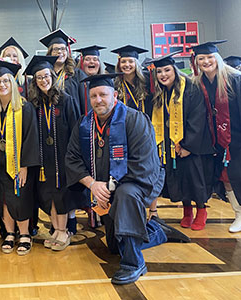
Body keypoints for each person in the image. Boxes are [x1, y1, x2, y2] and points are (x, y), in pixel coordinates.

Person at [65, 73, 190, 284]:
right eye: (94, 96)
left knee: (126, 194)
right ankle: (157, 231)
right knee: (115, 246)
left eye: (103, 95)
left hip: (139, 182)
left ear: (114, 95)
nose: (98, 100)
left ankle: (134, 263)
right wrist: (93, 185)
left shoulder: (134, 119)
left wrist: (110, 186)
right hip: (103, 187)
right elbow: (72, 158)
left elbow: (144, 162)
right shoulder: (85, 124)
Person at [0, 59, 40, 255]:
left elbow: (31, 138)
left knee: (20, 198)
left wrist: (24, 166)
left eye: (6, 81)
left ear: (13, 84)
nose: (2, 85)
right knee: (3, 200)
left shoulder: (24, 108)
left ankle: (24, 234)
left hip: (18, 164)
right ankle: (9, 233)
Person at [25, 55, 81, 250]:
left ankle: (64, 231)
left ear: (53, 76)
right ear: (35, 81)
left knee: (62, 194)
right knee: (48, 195)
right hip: (43, 159)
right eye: (39, 77)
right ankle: (56, 229)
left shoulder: (66, 100)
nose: (43, 80)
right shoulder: (33, 104)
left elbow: (76, 129)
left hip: (62, 157)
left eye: (46, 76)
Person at [151, 52, 211, 230]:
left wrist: (187, 145)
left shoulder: (191, 88)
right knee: (179, 178)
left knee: (194, 178)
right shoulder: (160, 93)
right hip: (170, 145)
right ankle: (186, 212)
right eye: (159, 72)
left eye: (167, 70)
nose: (163, 75)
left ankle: (201, 211)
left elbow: (198, 118)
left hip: (191, 145)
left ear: (175, 70)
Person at [191, 40, 241, 233]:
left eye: (209, 57)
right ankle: (238, 214)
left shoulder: (235, 79)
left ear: (217, 58)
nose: (206, 61)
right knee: (226, 177)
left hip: (237, 138)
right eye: (201, 58)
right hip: (216, 141)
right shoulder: (198, 84)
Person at [40, 29, 86, 116]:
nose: (60, 52)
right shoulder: (45, 76)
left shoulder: (77, 75)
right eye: (55, 49)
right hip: (49, 120)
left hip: (73, 121)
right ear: (50, 52)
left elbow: (84, 102)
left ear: (67, 52)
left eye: (63, 49)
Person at [111, 45, 151, 114]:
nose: (127, 64)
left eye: (131, 61)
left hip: (147, 122)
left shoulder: (147, 81)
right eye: (123, 62)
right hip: (126, 123)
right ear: (119, 65)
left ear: (136, 64)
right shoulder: (115, 85)